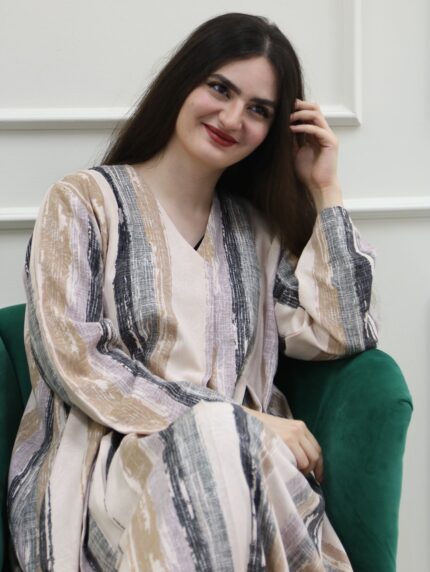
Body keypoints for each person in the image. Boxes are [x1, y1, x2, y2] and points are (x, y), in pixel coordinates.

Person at [8, 12, 378, 571]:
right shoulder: (82, 203)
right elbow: (76, 361)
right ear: (184, 82)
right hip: (110, 473)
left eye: (259, 110)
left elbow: (341, 332)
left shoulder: (256, 231)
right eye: (220, 88)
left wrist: (325, 188)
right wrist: (236, 417)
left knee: (219, 441)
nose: (232, 118)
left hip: (244, 470)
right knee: (214, 431)